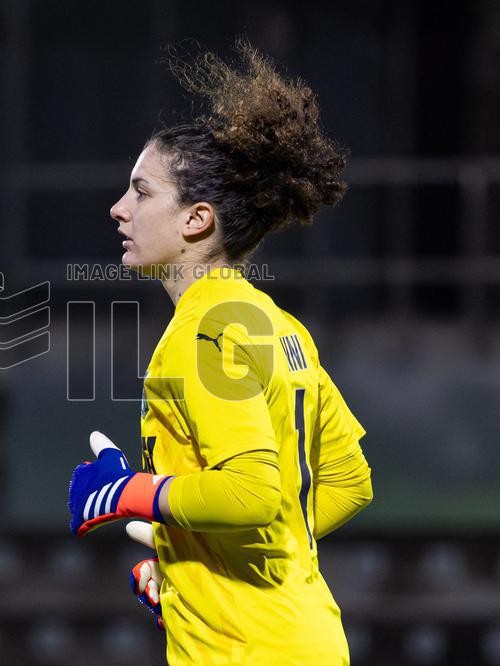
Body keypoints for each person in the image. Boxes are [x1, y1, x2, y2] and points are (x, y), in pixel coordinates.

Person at [67, 40, 373, 665]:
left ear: (196, 220)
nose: (119, 209)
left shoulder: (201, 335)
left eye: (141, 192)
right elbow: (348, 481)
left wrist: (128, 492)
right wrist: (197, 568)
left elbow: (251, 494)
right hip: (301, 637)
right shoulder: (276, 323)